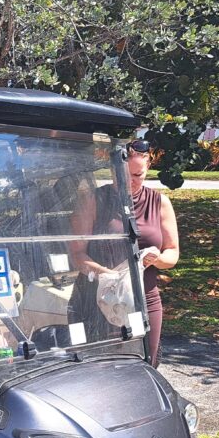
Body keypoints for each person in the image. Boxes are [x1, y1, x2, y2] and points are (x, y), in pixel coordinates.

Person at [69, 139, 180, 365]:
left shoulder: (160, 203)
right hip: (98, 297)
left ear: (148, 168)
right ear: (113, 170)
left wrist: (158, 259)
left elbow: (172, 253)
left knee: (145, 364)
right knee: (98, 366)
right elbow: (77, 254)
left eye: (138, 175)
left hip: (144, 297)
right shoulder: (92, 200)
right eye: (125, 175)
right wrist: (106, 274)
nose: (131, 182)